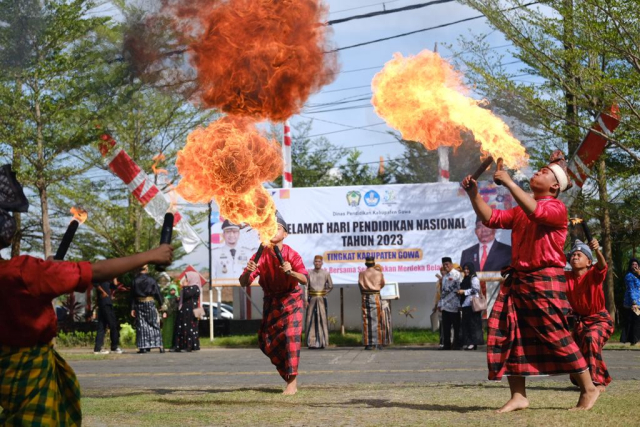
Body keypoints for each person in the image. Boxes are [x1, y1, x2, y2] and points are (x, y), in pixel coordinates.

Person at [0, 164, 173, 425]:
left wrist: (48, 270)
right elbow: (94, 271)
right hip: (30, 373)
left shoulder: (26, 272)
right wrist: (151, 254)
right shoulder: (23, 272)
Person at [461, 150, 598, 412]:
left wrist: (510, 182)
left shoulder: (556, 208)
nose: (537, 172)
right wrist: (473, 194)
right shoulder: (521, 209)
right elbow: (491, 218)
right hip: (519, 281)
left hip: (544, 280)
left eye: (544, 172)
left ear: (555, 186)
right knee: (510, 335)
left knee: (555, 333)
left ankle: (589, 388)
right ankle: (519, 396)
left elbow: (536, 212)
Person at [240, 212, 308, 395]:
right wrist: (249, 272)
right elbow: (244, 282)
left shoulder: (292, 254)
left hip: (291, 299)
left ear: (285, 234)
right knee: (266, 341)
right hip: (271, 301)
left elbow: (304, 279)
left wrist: (291, 272)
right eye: (270, 228)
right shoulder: (259, 255)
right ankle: (287, 374)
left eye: (278, 228)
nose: (274, 232)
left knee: (290, 337)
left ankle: (292, 383)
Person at [565, 239, 613, 391]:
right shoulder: (566, 277)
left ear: (588, 262)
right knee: (571, 348)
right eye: (573, 255)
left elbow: (603, 265)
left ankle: (597, 382)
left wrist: (597, 250)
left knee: (591, 338)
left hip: (601, 320)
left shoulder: (594, 273)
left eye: (579, 254)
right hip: (581, 322)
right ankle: (582, 380)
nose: (575, 256)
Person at [130, 265, 164, 354]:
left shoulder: (135, 280)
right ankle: (159, 345)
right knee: (153, 323)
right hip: (150, 303)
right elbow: (157, 292)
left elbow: (132, 295)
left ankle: (143, 347)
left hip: (139, 303)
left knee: (142, 325)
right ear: (146, 268)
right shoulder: (151, 280)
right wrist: (161, 304)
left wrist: (132, 308)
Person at [305, 255, 334, 349]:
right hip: (312, 298)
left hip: (321, 299)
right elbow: (306, 287)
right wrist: (305, 299)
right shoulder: (309, 273)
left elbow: (330, 286)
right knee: (311, 319)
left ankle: (322, 342)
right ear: (313, 262)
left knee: (322, 319)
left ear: (322, 263)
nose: (317, 263)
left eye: (319, 261)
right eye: (316, 261)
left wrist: (323, 293)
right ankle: (311, 342)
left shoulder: (326, 273)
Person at [358, 256, 386, 350]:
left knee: (366, 320)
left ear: (366, 264)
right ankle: (378, 343)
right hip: (376, 296)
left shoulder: (361, 273)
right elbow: (382, 284)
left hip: (365, 296)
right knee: (377, 319)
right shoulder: (379, 273)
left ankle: (368, 343)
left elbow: (360, 285)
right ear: (374, 263)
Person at [457, 262, 484, 350]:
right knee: (467, 324)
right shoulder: (466, 278)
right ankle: (470, 343)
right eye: (464, 269)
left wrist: (464, 292)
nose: (466, 270)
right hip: (466, 304)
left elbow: (475, 290)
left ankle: (473, 343)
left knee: (473, 324)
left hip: (472, 304)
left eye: (468, 269)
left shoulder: (474, 278)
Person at [437, 257, 462, 350]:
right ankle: (447, 345)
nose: (445, 266)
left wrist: (460, 304)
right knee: (446, 327)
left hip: (454, 304)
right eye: (444, 264)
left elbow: (460, 289)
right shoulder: (445, 276)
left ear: (451, 264)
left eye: (447, 264)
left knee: (456, 326)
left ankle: (457, 344)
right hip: (445, 305)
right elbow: (442, 291)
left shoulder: (457, 274)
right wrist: (440, 303)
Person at [174, 271, 202, 352]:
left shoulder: (195, 287)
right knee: (181, 327)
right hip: (185, 311)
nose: (185, 279)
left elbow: (187, 294)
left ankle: (189, 346)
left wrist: (184, 286)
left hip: (191, 311)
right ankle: (179, 346)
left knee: (189, 328)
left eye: (187, 278)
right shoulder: (190, 287)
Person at [93, 279, 122, 355]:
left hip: (106, 302)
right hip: (105, 302)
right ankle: (114, 347)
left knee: (101, 325)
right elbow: (95, 283)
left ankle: (98, 348)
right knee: (113, 324)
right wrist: (103, 292)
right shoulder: (101, 276)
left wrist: (114, 277)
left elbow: (114, 286)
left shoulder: (107, 279)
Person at [622, 258, 640, 346]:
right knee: (634, 321)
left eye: (636, 264)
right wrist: (634, 302)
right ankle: (634, 341)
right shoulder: (629, 276)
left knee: (635, 321)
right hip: (632, 303)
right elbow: (631, 290)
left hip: (638, 301)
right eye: (633, 264)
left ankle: (634, 340)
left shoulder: (638, 275)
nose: (635, 266)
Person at [375, 264, 393, 346]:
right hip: (374, 304)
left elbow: (388, 291)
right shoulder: (371, 281)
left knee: (384, 322)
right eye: (376, 270)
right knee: (375, 323)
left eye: (379, 270)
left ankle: (385, 340)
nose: (378, 271)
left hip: (384, 304)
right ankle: (376, 340)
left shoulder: (383, 280)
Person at [161, 283, 180, 351]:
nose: (173, 292)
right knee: (168, 330)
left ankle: (174, 344)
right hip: (169, 317)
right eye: (171, 290)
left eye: (174, 290)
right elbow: (164, 306)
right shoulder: (166, 298)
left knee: (175, 330)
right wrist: (164, 312)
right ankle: (167, 344)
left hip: (176, 316)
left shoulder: (178, 298)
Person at [432, 266, 446, 348]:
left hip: (449, 305)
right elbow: (437, 295)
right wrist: (435, 305)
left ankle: (449, 341)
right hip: (441, 304)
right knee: (442, 324)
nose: (442, 272)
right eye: (441, 270)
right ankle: (442, 341)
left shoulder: (449, 279)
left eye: (444, 270)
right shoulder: (438, 282)